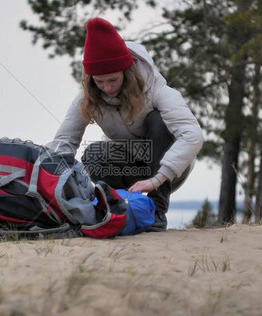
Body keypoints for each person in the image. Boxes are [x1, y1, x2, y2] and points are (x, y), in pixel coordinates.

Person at [51, 17, 203, 231]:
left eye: (113, 80)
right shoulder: (88, 96)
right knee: (93, 155)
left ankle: (157, 211)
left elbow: (193, 135)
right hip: (127, 163)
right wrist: (48, 181)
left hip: (168, 169)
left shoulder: (156, 89)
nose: (106, 87)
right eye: (99, 81)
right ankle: (117, 209)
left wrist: (157, 179)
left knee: (158, 121)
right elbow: (64, 142)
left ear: (126, 72)